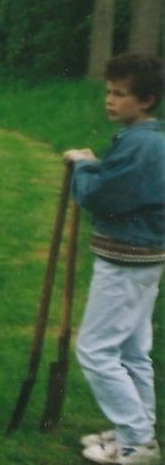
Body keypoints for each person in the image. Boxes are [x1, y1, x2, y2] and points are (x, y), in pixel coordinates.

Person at [64, 53, 164, 465]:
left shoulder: (142, 144)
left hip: (127, 260)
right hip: (144, 258)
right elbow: (123, 184)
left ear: (147, 100)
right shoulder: (146, 140)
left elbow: (104, 197)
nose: (110, 100)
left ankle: (138, 442)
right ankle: (135, 430)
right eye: (108, 92)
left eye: (120, 94)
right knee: (131, 349)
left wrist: (84, 168)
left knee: (95, 349)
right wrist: (97, 166)